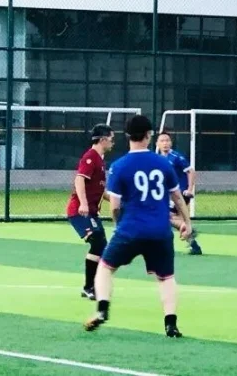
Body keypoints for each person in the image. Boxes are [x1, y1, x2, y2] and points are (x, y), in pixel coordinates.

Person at [84, 115, 193, 336]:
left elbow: (115, 206)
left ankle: (102, 309)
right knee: (166, 278)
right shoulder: (163, 163)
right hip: (160, 232)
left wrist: (118, 226)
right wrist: (187, 223)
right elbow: (177, 197)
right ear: (149, 135)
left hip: (130, 230)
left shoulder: (119, 166)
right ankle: (171, 324)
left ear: (127, 136)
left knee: (105, 268)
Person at [65, 124, 115, 300]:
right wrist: (84, 204)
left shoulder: (100, 160)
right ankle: (89, 287)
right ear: (102, 139)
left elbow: (100, 190)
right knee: (98, 242)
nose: (113, 142)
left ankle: (91, 286)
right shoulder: (90, 157)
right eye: (111, 139)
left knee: (102, 246)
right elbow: (79, 180)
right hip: (80, 211)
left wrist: (118, 201)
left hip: (92, 212)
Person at [156, 132, 203, 255]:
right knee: (174, 219)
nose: (165, 143)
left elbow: (191, 171)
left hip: (180, 194)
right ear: (157, 144)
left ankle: (184, 229)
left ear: (171, 143)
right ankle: (194, 245)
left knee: (165, 216)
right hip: (169, 196)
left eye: (167, 140)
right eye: (162, 141)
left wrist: (189, 189)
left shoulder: (176, 157)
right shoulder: (158, 158)